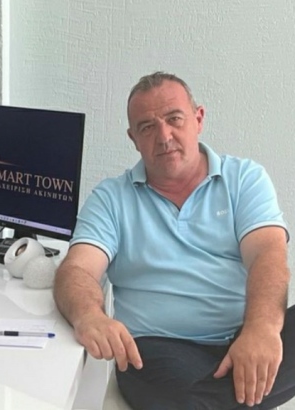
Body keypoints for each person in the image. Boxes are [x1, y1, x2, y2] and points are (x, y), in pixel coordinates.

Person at [54, 72, 295, 409]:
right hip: (161, 350)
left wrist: (261, 329)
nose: (164, 136)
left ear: (198, 119)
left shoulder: (244, 179)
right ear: (133, 138)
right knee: (162, 386)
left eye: (174, 119)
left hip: (245, 335)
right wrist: (88, 316)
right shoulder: (111, 199)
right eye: (147, 127)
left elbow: (267, 255)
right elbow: (77, 270)